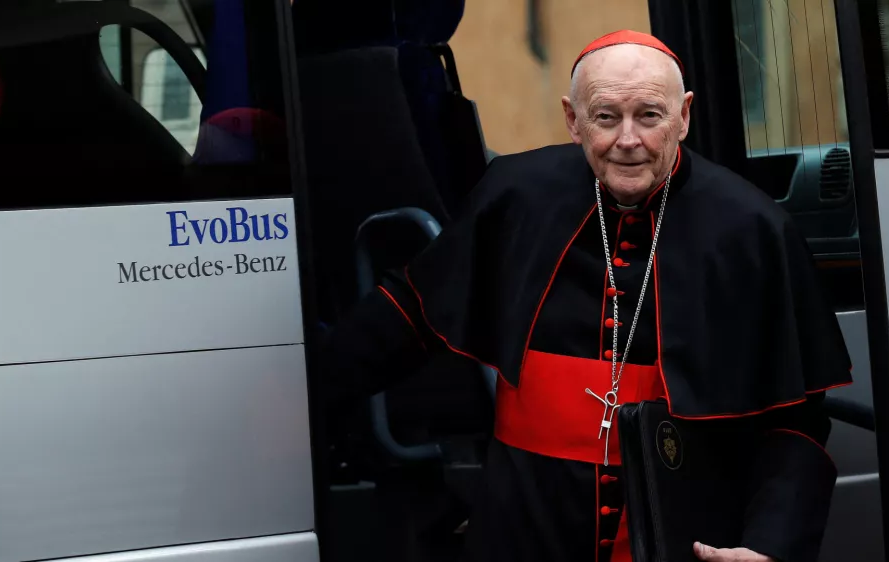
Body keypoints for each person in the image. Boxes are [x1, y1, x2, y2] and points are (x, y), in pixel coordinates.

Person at [319, 30, 852, 562]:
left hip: (682, 533)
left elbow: (795, 420)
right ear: (573, 119)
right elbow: (412, 311)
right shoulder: (517, 195)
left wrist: (767, 548)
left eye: (649, 115)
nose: (628, 139)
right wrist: (297, 404)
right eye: (605, 117)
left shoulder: (752, 228)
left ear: (684, 116)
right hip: (521, 528)